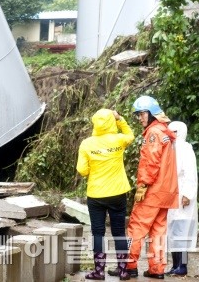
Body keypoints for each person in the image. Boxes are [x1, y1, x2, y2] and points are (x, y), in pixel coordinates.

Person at [109, 95, 178, 279]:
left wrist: (143, 185)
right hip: (166, 192)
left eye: (141, 114)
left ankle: (128, 266)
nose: (139, 118)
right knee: (158, 231)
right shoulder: (164, 132)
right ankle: (157, 269)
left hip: (153, 190)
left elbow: (150, 162)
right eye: (138, 115)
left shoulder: (153, 133)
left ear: (151, 113)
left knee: (136, 228)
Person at [77, 108, 135, 280]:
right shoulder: (119, 140)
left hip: (96, 194)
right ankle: (123, 270)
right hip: (118, 193)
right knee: (119, 232)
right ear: (111, 121)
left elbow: (82, 170)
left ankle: (99, 271)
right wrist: (120, 119)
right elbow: (130, 135)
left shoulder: (87, 144)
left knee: (98, 233)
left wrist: (91, 169)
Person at [166, 121, 198, 276]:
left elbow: (190, 173)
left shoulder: (185, 149)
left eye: (174, 131)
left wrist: (188, 194)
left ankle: (183, 266)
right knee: (172, 230)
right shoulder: (171, 148)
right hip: (172, 193)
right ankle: (175, 265)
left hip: (182, 194)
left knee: (182, 231)